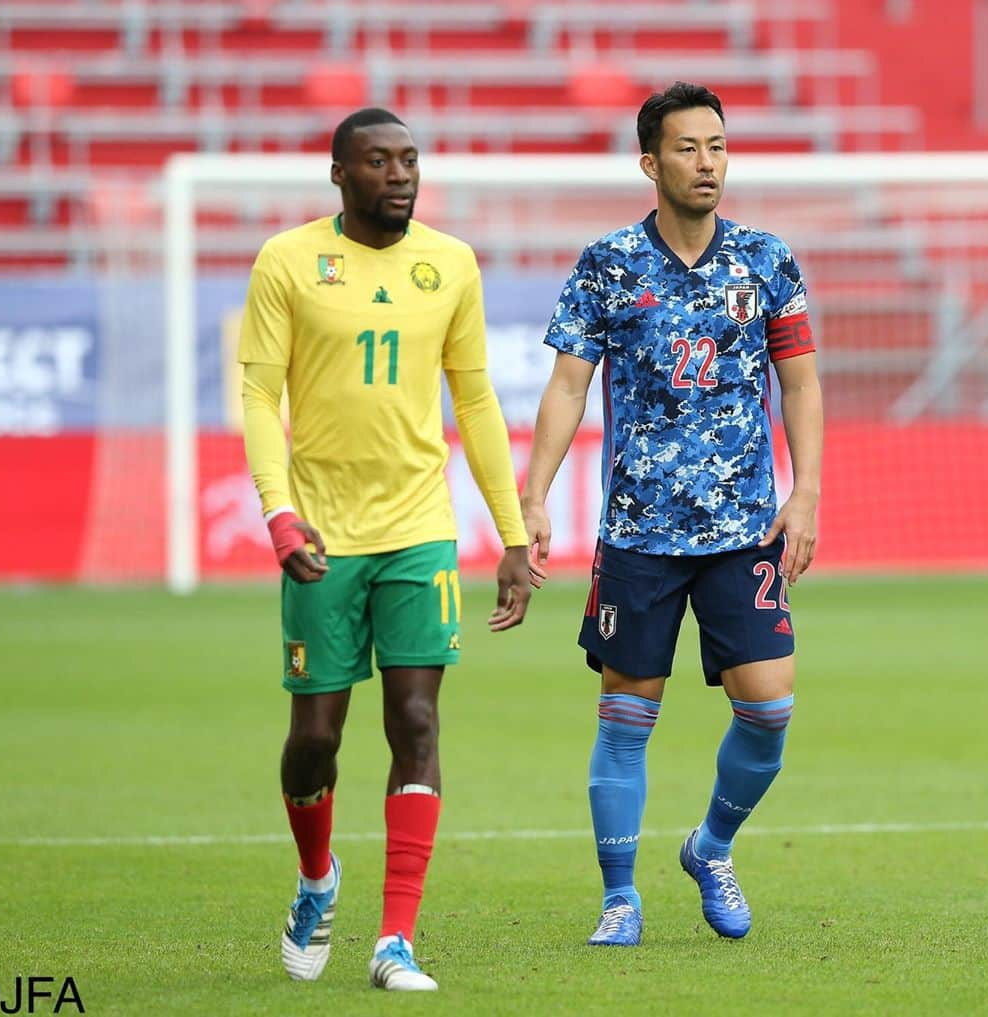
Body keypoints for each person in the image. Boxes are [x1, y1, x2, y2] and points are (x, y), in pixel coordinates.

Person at [520, 82, 823, 946]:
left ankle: (711, 846)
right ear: (650, 162)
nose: (707, 163)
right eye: (688, 148)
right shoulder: (607, 263)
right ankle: (621, 897)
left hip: (744, 532)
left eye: (718, 147)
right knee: (625, 720)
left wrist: (805, 491)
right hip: (640, 536)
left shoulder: (767, 261)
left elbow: (798, 381)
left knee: (768, 711)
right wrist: (535, 494)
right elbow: (567, 387)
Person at [238, 107, 531, 991]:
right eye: (378, 160)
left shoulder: (451, 264)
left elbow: (474, 403)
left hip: (418, 528)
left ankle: (395, 937)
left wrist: (512, 532)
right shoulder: (288, 261)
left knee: (416, 720)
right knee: (314, 738)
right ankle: (317, 877)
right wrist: (278, 512)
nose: (399, 174)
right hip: (322, 533)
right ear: (339, 173)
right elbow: (258, 395)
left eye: (409, 159)